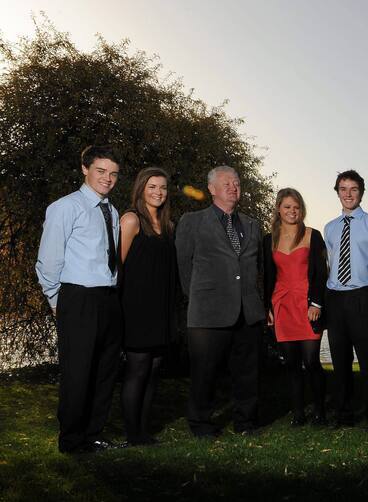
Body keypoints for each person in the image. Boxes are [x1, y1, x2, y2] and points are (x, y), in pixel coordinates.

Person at [35, 145, 124, 453]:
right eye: (101, 171)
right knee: (78, 371)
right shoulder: (65, 207)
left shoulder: (111, 210)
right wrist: (57, 300)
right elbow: (48, 260)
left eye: (113, 173)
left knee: (104, 370)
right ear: (85, 169)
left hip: (108, 297)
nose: (107, 178)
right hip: (78, 297)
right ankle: (71, 440)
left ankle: (94, 434)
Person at [175, 166, 263, 436]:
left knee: (247, 373)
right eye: (226, 183)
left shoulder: (252, 224)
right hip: (207, 312)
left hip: (247, 311)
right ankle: (201, 424)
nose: (233, 187)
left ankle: (245, 423)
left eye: (236, 182)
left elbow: (257, 267)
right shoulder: (192, 221)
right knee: (205, 373)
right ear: (211, 189)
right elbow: (184, 266)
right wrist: (201, 295)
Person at [322, 170, 368, 428]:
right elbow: (330, 264)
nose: (348, 194)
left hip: (363, 298)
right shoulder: (329, 229)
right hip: (336, 300)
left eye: (353, 189)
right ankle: (344, 415)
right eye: (343, 189)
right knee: (340, 363)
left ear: (361, 192)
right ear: (338, 192)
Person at [119, 167, 178, 445]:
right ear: (141, 188)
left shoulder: (168, 225)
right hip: (137, 308)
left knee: (154, 369)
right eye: (152, 187)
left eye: (163, 188)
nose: (158, 192)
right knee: (138, 369)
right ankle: (132, 434)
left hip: (161, 308)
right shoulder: (131, 220)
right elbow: (117, 267)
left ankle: (144, 430)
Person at [262, 188, 328, 426]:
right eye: (287, 206)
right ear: (279, 208)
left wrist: (317, 303)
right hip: (282, 305)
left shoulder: (313, 235)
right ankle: (298, 414)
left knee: (311, 361)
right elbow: (267, 277)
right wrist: (266, 306)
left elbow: (322, 274)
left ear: (302, 210)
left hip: (308, 305)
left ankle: (320, 412)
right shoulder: (268, 239)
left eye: (296, 207)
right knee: (291, 364)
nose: (292, 211)